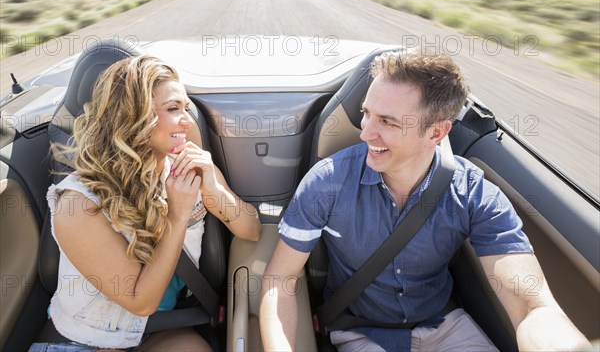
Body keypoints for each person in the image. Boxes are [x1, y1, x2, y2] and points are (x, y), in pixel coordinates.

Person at [259, 51, 591, 351]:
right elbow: (280, 280)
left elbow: (531, 306)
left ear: (436, 133)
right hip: (362, 334)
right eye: (366, 114)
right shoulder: (326, 182)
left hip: (448, 330)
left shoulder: (474, 194)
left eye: (386, 122)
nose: (365, 132)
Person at [30, 56, 261, 351]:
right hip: (83, 341)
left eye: (185, 107)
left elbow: (251, 229)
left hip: (153, 333)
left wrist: (214, 188)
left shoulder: (190, 170)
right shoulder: (78, 203)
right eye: (173, 109)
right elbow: (141, 301)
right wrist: (177, 215)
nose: (189, 120)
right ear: (134, 116)